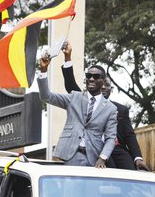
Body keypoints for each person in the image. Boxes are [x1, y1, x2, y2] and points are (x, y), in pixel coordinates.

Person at [61, 41, 149, 171]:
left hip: (116, 149)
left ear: (111, 89)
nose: (104, 88)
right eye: (102, 85)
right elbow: (70, 85)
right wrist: (67, 58)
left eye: (107, 86)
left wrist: (138, 158)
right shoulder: (83, 101)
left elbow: (130, 136)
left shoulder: (119, 110)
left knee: (131, 169)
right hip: (93, 148)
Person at [38, 53, 118, 168]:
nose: (91, 79)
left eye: (96, 76)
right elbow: (46, 96)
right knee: (71, 186)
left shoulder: (110, 108)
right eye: (88, 75)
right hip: (70, 154)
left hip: (94, 158)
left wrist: (102, 158)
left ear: (103, 80)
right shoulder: (74, 97)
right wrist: (43, 70)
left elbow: (111, 137)